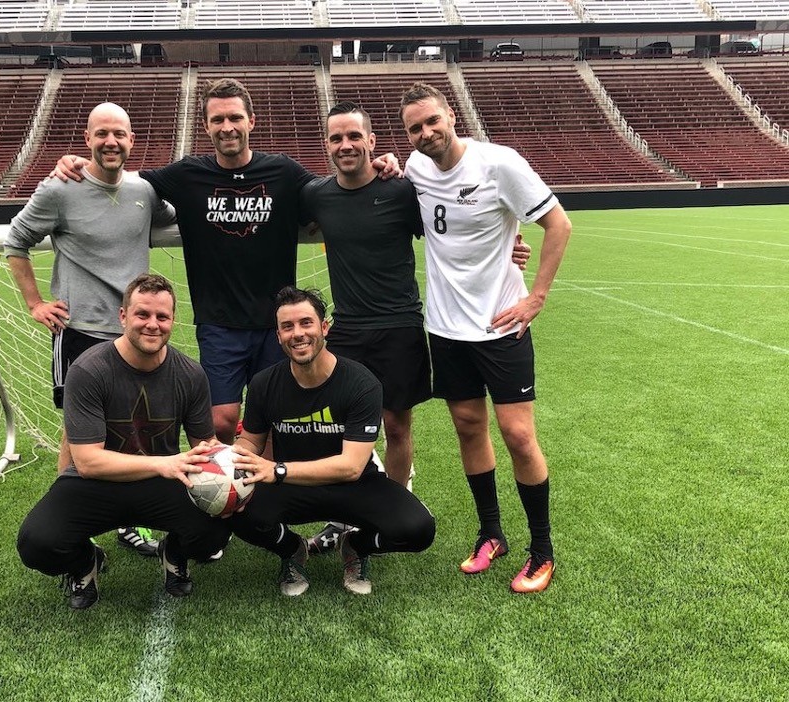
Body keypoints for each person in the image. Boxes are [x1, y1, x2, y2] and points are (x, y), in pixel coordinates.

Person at [51, 79, 399, 445]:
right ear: (206, 126)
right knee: (221, 421)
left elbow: (334, 191)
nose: (227, 127)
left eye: (235, 117)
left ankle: (267, 488)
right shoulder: (187, 174)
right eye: (217, 120)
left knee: (277, 418)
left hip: (274, 321)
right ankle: (230, 486)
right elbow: (121, 178)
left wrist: (379, 165)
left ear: (251, 121)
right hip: (219, 322)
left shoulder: (283, 171)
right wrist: (81, 163)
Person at [298, 100, 531, 555]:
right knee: (335, 427)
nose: (345, 145)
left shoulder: (405, 192)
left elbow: (461, 231)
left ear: (372, 141)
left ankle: (393, 507)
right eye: (335, 138)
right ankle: (338, 515)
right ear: (326, 146)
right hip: (344, 330)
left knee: (396, 425)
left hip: (401, 327)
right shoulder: (316, 195)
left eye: (353, 136)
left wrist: (510, 248)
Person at [399, 83, 572, 594]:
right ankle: (491, 535)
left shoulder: (499, 163)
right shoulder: (414, 169)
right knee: (469, 428)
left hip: (502, 326)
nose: (426, 133)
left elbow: (558, 225)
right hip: (446, 328)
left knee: (519, 435)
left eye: (432, 121)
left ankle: (542, 551)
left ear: (450, 115)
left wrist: (535, 297)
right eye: (415, 128)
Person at [5, 102, 174, 557]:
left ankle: (126, 523)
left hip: (136, 333)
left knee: (134, 426)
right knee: (76, 433)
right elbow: (14, 241)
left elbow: (176, 216)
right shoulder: (59, 187)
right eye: (102, 133)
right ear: (86, 139)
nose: (110, 141)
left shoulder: (145, 191)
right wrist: (35, 302)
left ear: (132, 140)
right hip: (80, 330)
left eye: (119, 133)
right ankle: (72, 529)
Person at [17, 274, 232, 609]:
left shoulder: (190, 374)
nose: (153, 325)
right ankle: (84, 561)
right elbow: (87, 462)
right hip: (96, 482)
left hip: (159, 483)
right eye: (142, 314)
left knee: (216, 528)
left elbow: (206, 445)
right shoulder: (89, 370)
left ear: (173, 320)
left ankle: (172, 553)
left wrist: (235, 470)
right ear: (122, 317)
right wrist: (163, 463)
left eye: (162, 317)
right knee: (37, 543)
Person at [229, 286, 435, 596]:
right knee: (234, 509)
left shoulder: (361, 383)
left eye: (306, 323)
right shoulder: (263, 384)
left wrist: (278, 470)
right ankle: (292, 550)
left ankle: (356, 545)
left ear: (324, 327)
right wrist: (229, 459)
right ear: (278, 335)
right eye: (288, 326)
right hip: (293, 489)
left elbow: (351, 467)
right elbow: (250, 442)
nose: (298, 333)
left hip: (355, 486)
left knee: (418, 529)